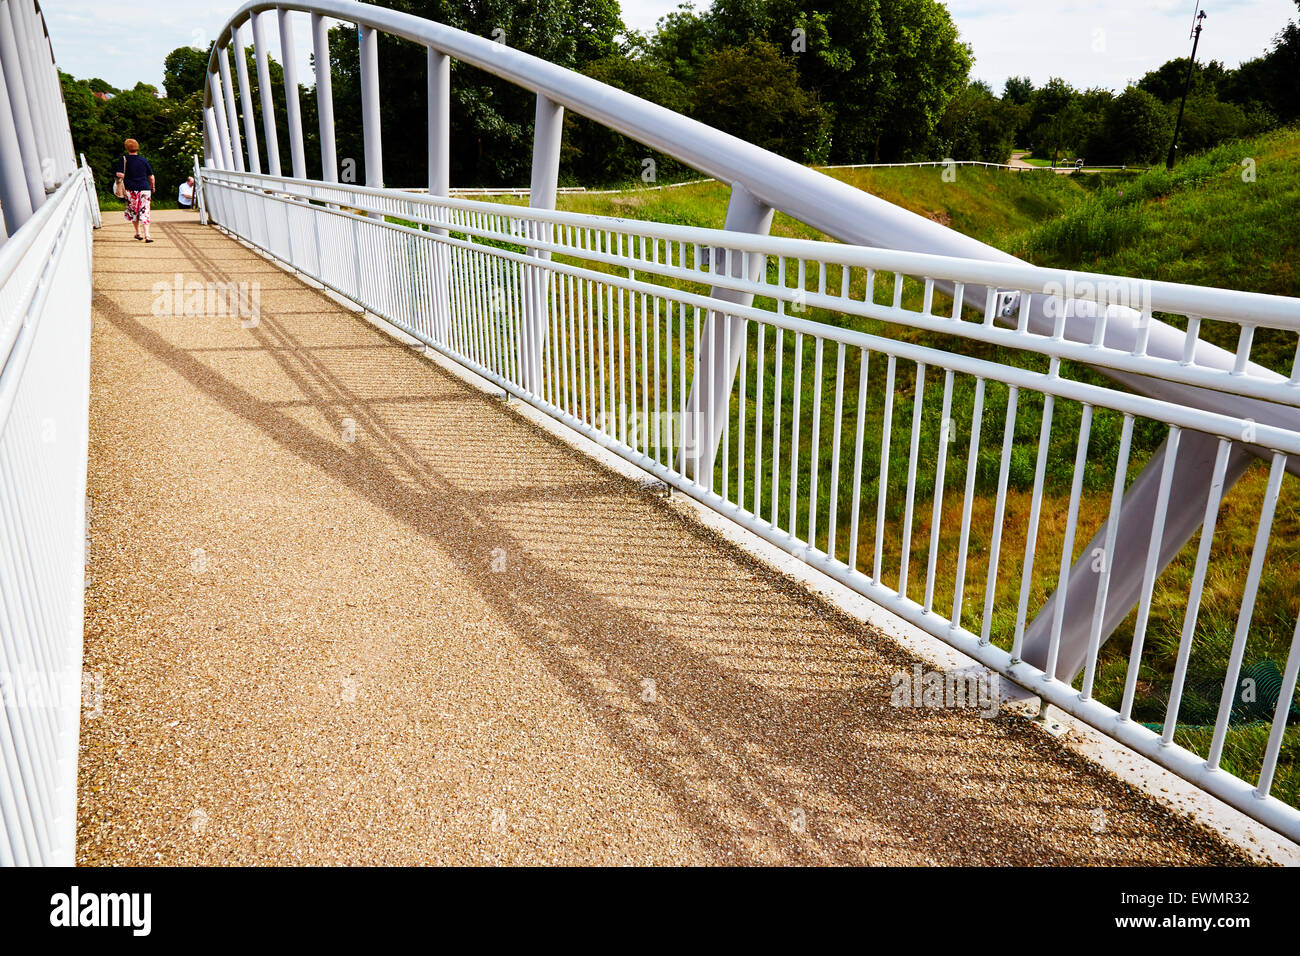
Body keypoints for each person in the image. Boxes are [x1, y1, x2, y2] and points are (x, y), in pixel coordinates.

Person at [113, 139, 156, 242]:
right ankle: (147, 235)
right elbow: (151, 176)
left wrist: (119, 175)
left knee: (133, 211)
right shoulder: (144, 160)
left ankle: (138, 233)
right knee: (145, 210)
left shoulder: (123, 159)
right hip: (145, 189)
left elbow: (120, 174)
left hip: (130, 189)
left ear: (127, 148)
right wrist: (152, 186)